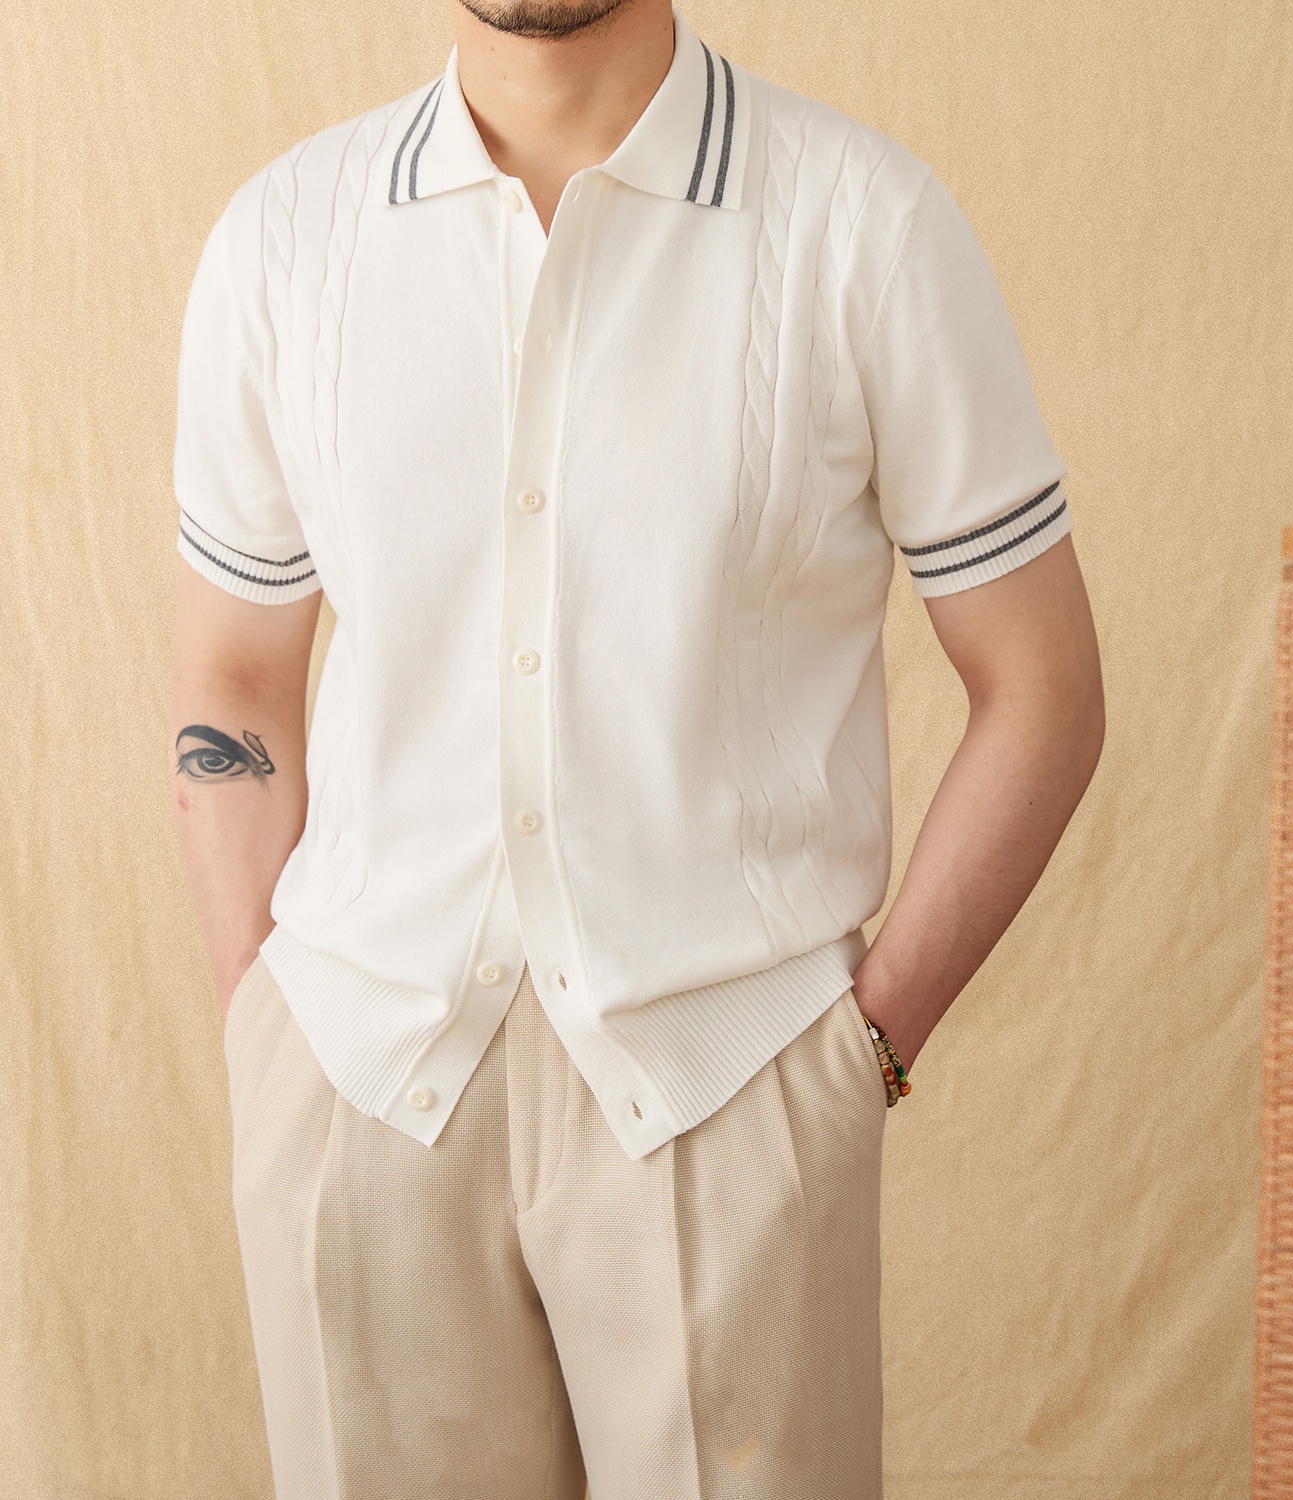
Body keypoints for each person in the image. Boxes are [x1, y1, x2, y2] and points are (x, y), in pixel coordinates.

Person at [166, 0, 1105, 1495]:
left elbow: (1043, 684)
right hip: (353, 1082)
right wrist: (260, 1024)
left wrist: (862, 1053)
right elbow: (234, 675)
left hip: (732, 1088)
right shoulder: (284, 239)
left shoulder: (860, 223)